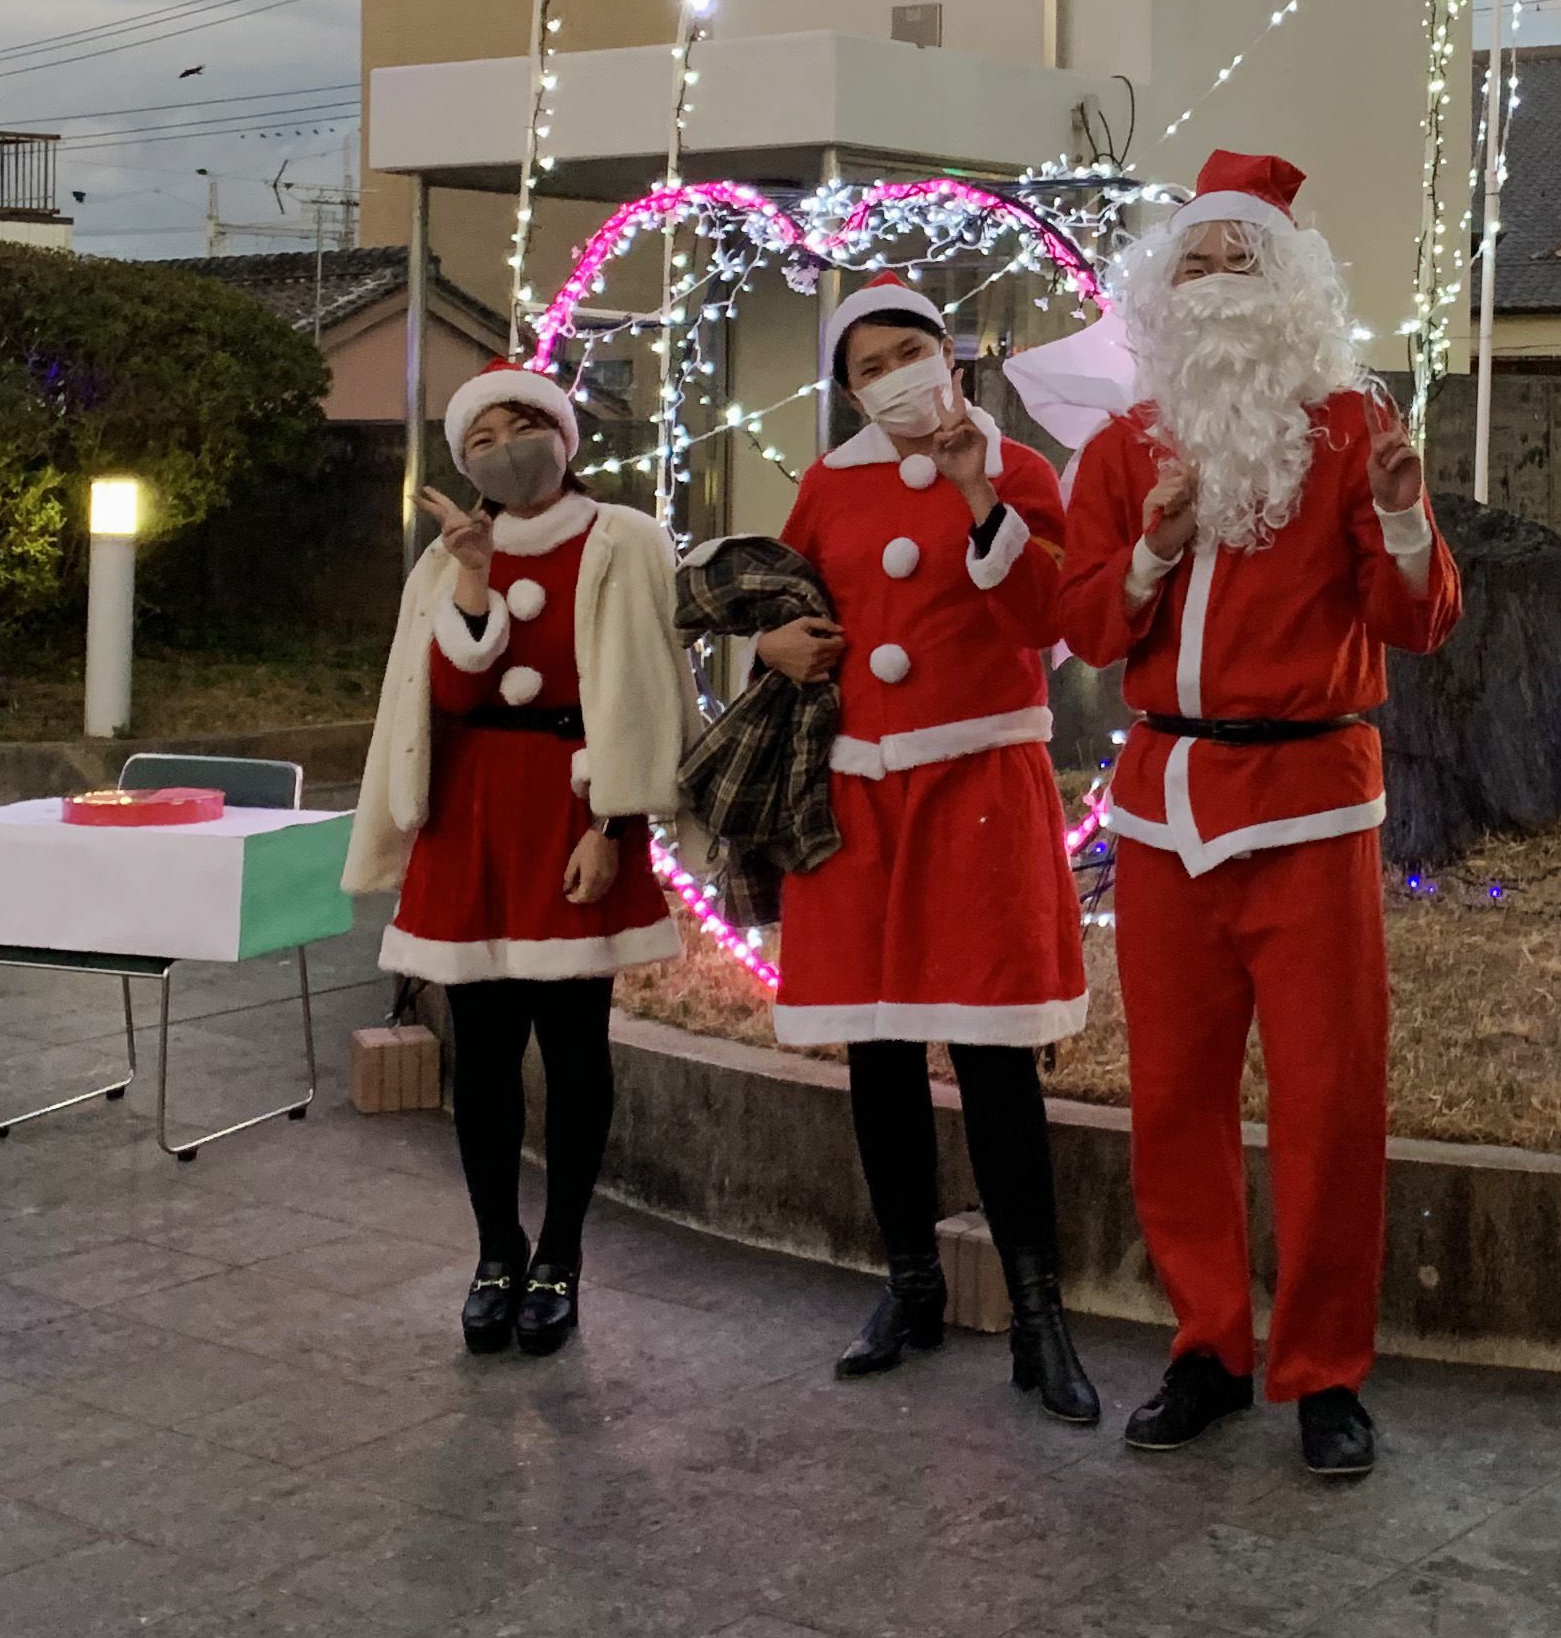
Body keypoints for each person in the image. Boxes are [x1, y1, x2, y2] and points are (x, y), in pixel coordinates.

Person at [1058, 153, 1458, 1480]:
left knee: (1329, 1099)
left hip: (1309, 801)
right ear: (1159, 293)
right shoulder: (1122, 451)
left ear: (1290, 287)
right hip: (1166, 804)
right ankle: (1208, 1344)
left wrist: (1403, 523)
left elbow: (1418, 621)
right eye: (1196, 262)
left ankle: (1327, 1368)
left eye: (1242, 262)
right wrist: (1158, 546)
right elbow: (1086, 628)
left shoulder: (1351, 431)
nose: (1218, 284)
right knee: (1172, 1093)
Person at [763, 280, 1099, 1425]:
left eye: (911, 350)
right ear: (849, 390)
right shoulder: (826, 485)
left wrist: (974, 497)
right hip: (860, 795)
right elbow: (787, 590)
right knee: (878, 1047)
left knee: (996, 1052)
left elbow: (1050, 619)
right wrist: (771, 639)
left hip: (980, 785)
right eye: (870, 367)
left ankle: (1040, 1317)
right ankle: (907, 1284)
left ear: (949, 355)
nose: (895, 375)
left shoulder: (1021, 470)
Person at [346, 360, 686, 1358]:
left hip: (575, 814)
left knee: (577, 1050)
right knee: (483, 1053)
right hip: (471, 817)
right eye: (481, 439)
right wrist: (476, 575)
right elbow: (444, 700)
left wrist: (614, 828)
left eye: (519, 426)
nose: (504, 449)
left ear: (562, 432)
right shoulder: (446, 560)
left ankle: (563, 1255)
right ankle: (496, 1253)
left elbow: (649, 696)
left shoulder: (626, 540)